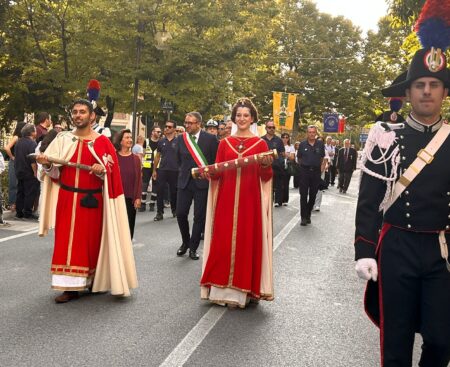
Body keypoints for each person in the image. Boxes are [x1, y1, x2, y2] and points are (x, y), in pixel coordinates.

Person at [354, 15, 450, 366]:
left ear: (444, 92)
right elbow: (368, 201)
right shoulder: (386, 137)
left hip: (442, 251)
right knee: (396, 342)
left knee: (441, 340)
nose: (427, 90)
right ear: (408, 92)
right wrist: (363, 249)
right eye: (420, 84)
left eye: (435, 84)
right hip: (397, 248)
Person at [36, 99, 137, 303]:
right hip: (66, 197)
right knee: (65, 242)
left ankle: (91, 281)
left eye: (82, 112)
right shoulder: (63, 139)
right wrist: (47, 165)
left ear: (92, 116)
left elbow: (112, 174)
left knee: (90, 242)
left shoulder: (102, 142)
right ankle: (69, 287)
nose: (78, 115)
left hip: (92, 200)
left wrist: (102, 171)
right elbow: (55, 174)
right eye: (75, 112)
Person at [200, 97, 274, 308]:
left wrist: (266, 165)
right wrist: (209, 174)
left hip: (250, 202)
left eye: (246, 115)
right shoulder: (224, 144)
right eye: (239, 115)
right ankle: (220, 289)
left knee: (245, 242)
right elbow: (218, 173)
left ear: (252, 119)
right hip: (226, 199)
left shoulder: (261, 144)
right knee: (222, 242)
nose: (242, 119)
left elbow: (266, 176)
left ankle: (242, 292)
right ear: (234, 118)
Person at [175, 111, 218, 260]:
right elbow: (178, 160)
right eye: (185, 122)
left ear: (199, 124)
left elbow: (214, 161)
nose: (186, 125)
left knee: (199, 217)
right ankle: (185, 242)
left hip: (202, 183)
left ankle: (193, 248)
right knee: (180, 213)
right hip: (185, 182)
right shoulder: (181, 139)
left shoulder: (211, 139)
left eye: (190, 123)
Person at [115, 129, 142, 239]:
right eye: (127, 137)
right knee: (116, 227)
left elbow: (139, 179)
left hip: (130, 198)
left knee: (128, 227)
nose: (130, 140)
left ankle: (127, 252)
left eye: (131, 138)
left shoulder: (135, 159)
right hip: (116, 198)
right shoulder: (114, 156)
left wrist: (138, 197)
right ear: (120, 141)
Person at [297, 125, 325, 226]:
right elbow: (299, 159)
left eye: (313, 132)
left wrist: (317, 166)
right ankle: (303, 217)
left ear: (316, 133)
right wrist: (305, 166)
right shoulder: (302, 144)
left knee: (313, 195)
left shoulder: (320, 144)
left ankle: (308, 213)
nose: (312, 134)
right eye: (310, 132)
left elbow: (322, 158)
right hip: (304, 172)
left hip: (316, 172)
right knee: (303, 195)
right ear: (307, 133)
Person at [152, 120, 178, 221]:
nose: (166, 128)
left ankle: (174, 210)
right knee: (160, 191)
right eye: (166, 126)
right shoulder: (161, 141)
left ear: (174, 129)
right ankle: (159, 213)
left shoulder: (178, 141)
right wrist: (154, 170)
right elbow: (157, 156)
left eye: (169, 127)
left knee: (173, 192)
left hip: (175, 170)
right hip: (162, 170)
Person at [14, 124, 39, 220]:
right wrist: (35, 172)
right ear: (32, 132)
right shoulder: (32, 143)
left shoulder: (18, 142)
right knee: (30, 192)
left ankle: (19, 212)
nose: (36, 132)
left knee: (20, 192)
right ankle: (27, 213)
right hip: (29, 171)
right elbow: (33, 160)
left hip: (19, 170)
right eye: (35, 131)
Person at [262, 120, 285, 206]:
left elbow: (282, 153)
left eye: (273, 127)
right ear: (266, 128)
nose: (272, 129)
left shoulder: (279, 140)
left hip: (277, 166)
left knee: (278, 184)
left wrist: (279, 160)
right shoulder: (261, 139)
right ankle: (267, 200)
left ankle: (277, 201)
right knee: (266, 185)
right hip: (264, 166)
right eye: (270, 127)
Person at [4, 121, 26, 211]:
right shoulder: (16, 137)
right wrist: (12, 157)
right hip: (14, 162)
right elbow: (6, 147)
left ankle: (17, 203)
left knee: (19, 183)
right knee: (13, 183)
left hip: (19, 163)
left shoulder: (22, 138)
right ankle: (12, 203)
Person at [140, 126, 161, 212]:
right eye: (157, 132)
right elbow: (143, 153)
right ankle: (142, 204)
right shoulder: (146, 141)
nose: (159, 133)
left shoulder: (161, 142)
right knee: (144, 185)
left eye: (160, 132)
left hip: (157, 167)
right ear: (152, 132)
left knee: (155, 185)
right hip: (146, 166)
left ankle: (152, 204)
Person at [280, 132, 295, 205]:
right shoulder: (279, 145)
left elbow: (292, 157)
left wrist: (285, 154)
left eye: (287, 137)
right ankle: (278, 200)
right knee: (279, 183)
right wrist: (287, 154)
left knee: (286, 183)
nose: (285, 139)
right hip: (279, 166)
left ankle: (285, 200)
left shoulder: (291, 146)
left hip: (287, 166)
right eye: (283, 137)